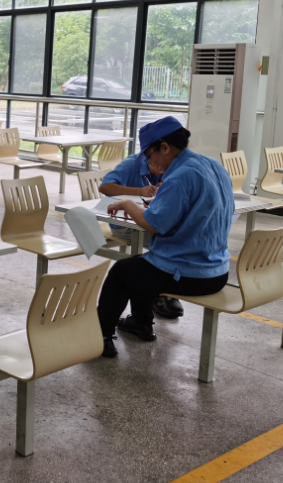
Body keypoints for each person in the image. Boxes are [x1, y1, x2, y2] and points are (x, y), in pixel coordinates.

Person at [97, 117, 234, 359]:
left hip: (189, 274)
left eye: (150, 156)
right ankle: (140, 322)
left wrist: (128, 204)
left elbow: (153, 224)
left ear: (165, 147)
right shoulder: (213, 165)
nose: (151, 163)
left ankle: (101, 338)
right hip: (219, 271)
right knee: (143, 264)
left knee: (121, 272)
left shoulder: (180, 176)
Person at [98, 151, 185, 320]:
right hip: (124, 223)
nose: (161, 170)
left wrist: (161, 187)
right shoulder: (131, 164)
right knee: (166, 241)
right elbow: (105, 187)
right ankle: (161, 295)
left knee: (173, 235)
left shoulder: (163, 166)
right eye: (158, 166)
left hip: (145, 218)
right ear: (149, 158)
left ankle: (164, 292)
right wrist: (140, 191)